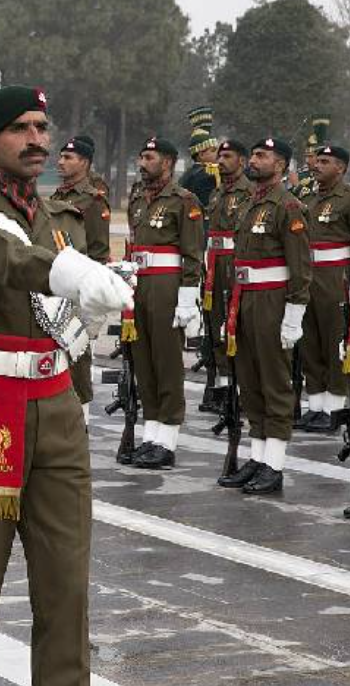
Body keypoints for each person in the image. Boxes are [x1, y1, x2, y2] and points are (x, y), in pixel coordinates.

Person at [0, 85, 132, 686]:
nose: (37, 139)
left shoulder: (63, 215)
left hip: (56, 406)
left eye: (41, 126)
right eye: (20, 128)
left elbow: (74, 318)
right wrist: (72, 272)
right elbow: (8, 259)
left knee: (66, 580)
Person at [217, 138, 311, 495]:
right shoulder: (249, 204)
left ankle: (274, 464)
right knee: (251, 381)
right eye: (254, 155)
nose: (253, 161)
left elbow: (300, 267)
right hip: (245, 299)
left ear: (281, 164)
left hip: (272, 301)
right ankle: (257, 457)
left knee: (274, 383)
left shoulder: (288, 206)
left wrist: (294, 314)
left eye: (262, 156)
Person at [125, 137, 204, 469]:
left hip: (166, 287)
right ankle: (150, 436)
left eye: (149, 157)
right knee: (144, 361)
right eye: (141, 157)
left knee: (167, 362)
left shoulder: (184, 200)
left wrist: (188, 298)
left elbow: (193, 254)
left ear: (168, 162)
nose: (142, 163)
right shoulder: (137, 199)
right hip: (139, 285)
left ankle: (167, 441)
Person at [51, 136, 111, 421]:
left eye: (68, 158)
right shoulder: (56, 197)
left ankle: (81, 419)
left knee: (77, 355)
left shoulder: (93, 200)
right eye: (61, 156)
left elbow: (99, 250)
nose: (60, 162)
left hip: (79, 288)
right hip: (56, 285)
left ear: (84, 162)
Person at [297, 144, 350, 432]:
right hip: (308, 276)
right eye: (316, 160)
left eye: (325, 161)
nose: (316, 165)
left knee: (334, 343)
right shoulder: (307, 198)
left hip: (335, 278)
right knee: (310, 342)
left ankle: (334, 409)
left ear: (340, 168)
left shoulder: (348, 199)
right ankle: (316, 405)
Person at [202, 140, 254, 410]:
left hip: (235, 263)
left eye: (227, 156)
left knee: (237, 325)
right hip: (214, 264)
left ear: (242, 161)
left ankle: (241, 388)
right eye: (219, 156)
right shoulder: (217, 192)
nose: (220, 161)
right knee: (216, 324)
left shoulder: (250, 192)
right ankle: (223, 387)